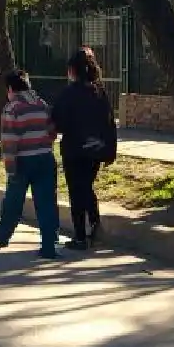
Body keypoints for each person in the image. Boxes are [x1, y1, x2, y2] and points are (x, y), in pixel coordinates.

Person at [0, 69, 60, 259]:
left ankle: (3, 234)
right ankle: (49, 244)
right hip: (45, 158)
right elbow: (52, 132)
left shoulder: (12, 109)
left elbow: (9, 142)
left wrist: (10, 168)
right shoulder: (42, 104)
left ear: (11, 89)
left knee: (13, 202)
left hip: (22, 161)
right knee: (47, 203)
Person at [51, 47, 117, 250]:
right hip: (95, 150)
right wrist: (110, 150)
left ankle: (80, 236)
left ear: (73, 70)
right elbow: (109, 123)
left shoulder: (68, 94)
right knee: (86, 186)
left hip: (74, 150)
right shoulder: (99, 92)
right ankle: (95, 223)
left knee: (76, 191)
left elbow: (58, 122)